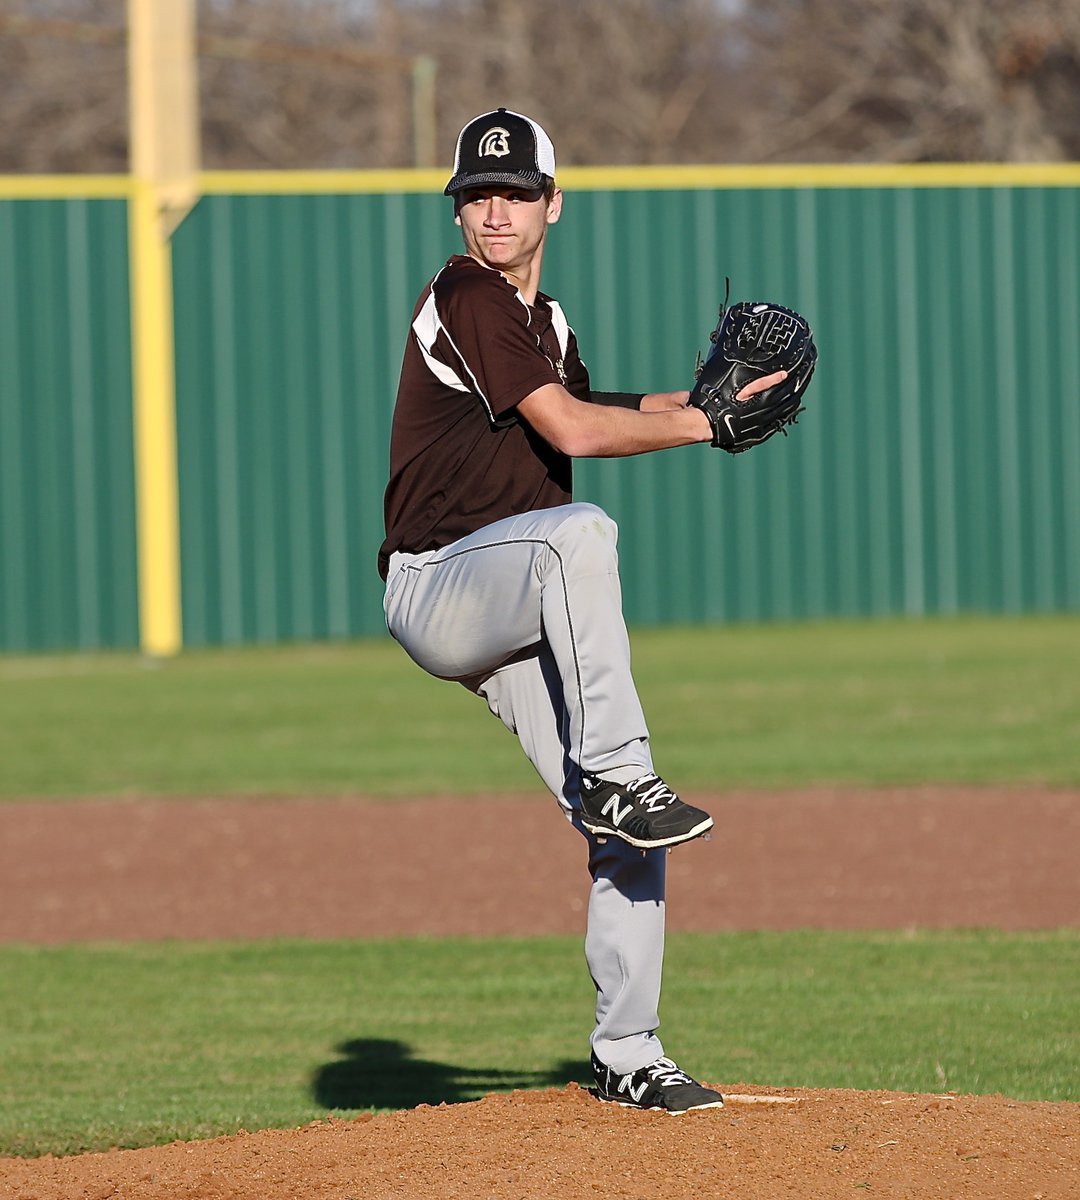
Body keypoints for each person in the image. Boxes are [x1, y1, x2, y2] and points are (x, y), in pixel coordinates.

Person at [378, 108, 785, 1114]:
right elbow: (571, 431)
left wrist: (696, 401)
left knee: (628, 836)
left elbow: (595, 405)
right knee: (581, 533)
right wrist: (704, 428)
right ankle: (621, 774)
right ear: (459, 210)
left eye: (515, 194)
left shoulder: (544, 323)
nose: (495, 212)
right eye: (478, 194)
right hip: (441, 583)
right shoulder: (466, 294)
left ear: (552, 204)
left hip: (511, 595)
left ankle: (628, 1052)